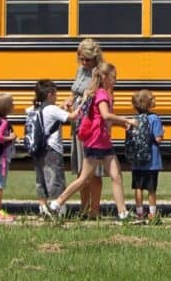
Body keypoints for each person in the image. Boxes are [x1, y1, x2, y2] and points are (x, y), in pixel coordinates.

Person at [49, 63, 136, 220]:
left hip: (104, 142)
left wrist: (122, 124)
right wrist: (126, 119)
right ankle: (58, 202)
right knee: (84, 179)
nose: (116, 80)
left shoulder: (102, 93)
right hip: (96, 143)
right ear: (104, 78)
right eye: (113, 77)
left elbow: (105, 119)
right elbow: (105, 115)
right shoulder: (101, 94)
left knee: (116, 176)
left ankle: (123, 212)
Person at [64, 38, 104, 219]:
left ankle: (94, 210)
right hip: (79, 123)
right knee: (82, 169)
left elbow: (99, 96)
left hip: (92, 123)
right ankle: (84, 207)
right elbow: (75, 91)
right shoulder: (81, 70)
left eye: (88, 59)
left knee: (93, 170)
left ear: (95, 58)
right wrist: (70, 100)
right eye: (82, 59)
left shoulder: (100, 72)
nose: (84, 63)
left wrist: (87, 95)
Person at [30, 80, 82, 218]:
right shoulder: (52, 109)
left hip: (37, 150)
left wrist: (62, 107)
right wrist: (84, 102)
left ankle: (43, 208)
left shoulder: (33, 109)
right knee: (55, 179)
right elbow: (73, 116)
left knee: (41, 180)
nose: (56, 97)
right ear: (49, 94)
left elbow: (52, 115)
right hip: (52, 150)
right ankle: (58, 211)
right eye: (55, 94)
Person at [130, 89, 164, 222]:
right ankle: (152, 214)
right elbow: (158, 139)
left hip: (137, 160)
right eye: (153, 99)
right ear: (148, 103)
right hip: (152, 161)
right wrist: (162, 133)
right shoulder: (154, 118)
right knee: (151, 189)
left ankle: (139, 213)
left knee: (138, 187)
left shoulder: (134, 119)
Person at [0, 93, 17, 223]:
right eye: (12, 103)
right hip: (2, 159)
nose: (14, 105)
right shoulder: (4, 122)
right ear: (6, 107)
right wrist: (11, 138)